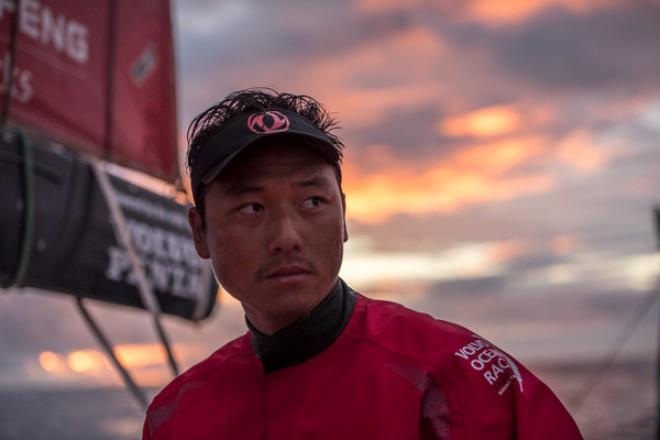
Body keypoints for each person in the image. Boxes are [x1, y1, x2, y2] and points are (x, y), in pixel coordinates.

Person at [142, 89, 583, 439]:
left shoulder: (448, 376)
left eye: (312, 201)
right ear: (200, 232)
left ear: (344, 216)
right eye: (252, 208)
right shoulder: (177, 418)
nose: (286, 238)